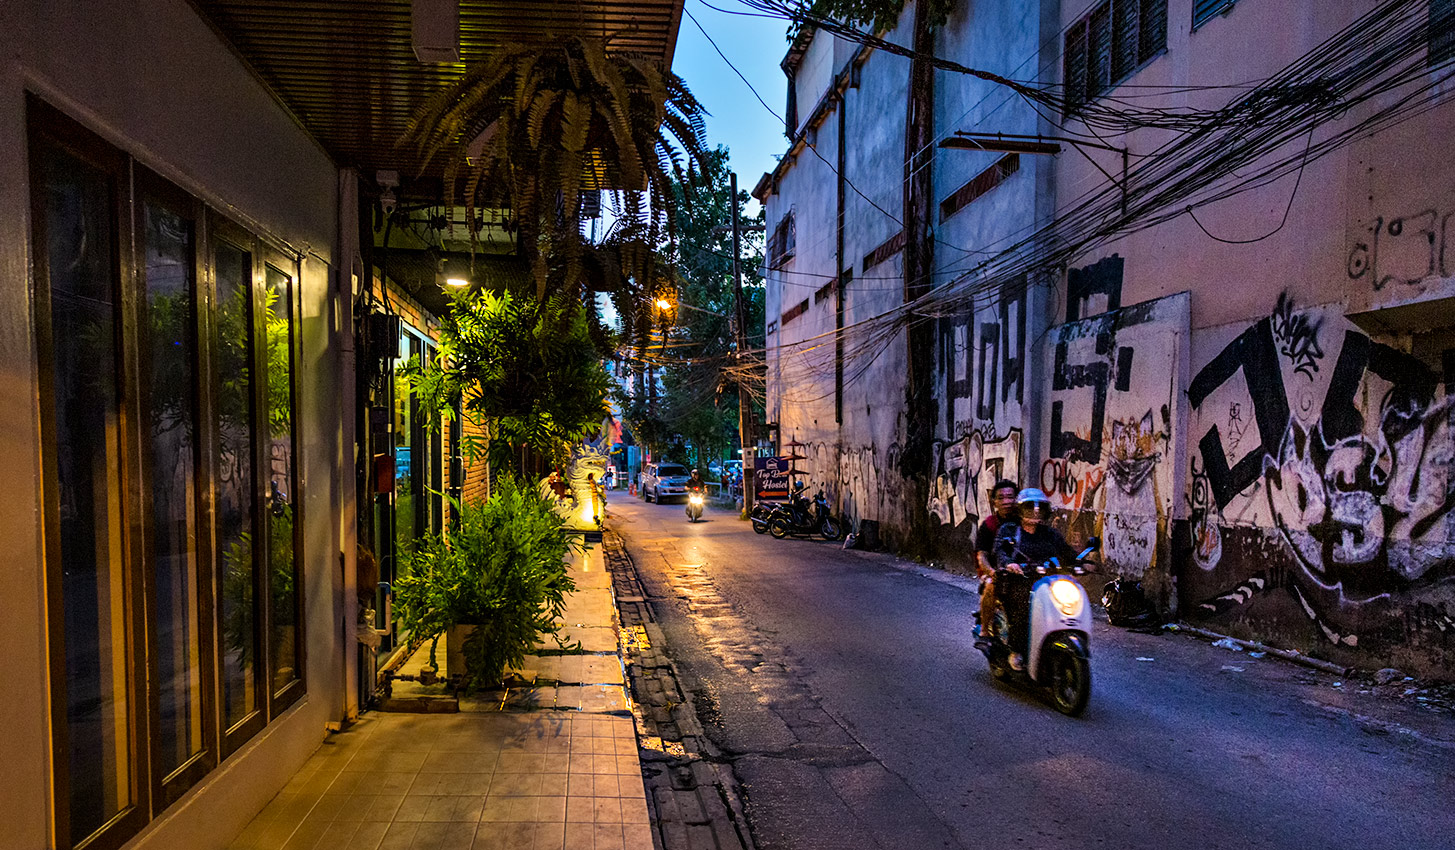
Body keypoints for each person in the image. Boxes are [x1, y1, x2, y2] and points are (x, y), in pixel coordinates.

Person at [991, 487, 1079, 670]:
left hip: (1046, 582)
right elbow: (1000, 551)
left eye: (1040, 507)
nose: (1035, 511)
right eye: (1030, 506)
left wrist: (1082, 563)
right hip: (1017, 580)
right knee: (1025, 605)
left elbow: (1066, 552)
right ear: (1020, 509)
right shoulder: (1010, 530)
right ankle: (1016, 650)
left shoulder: (1049, 534)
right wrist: (1009, 564)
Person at [974, 479, 1020, 644]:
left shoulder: (1025, 521)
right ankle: (985, 632)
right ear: (994, 502)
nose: (1006, 501)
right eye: (1001, 498)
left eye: (1010, 497)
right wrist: (992, 572)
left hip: (1023, 570)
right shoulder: (989, 525)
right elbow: (982, 555)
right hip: (996, 570)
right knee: (992, 586)